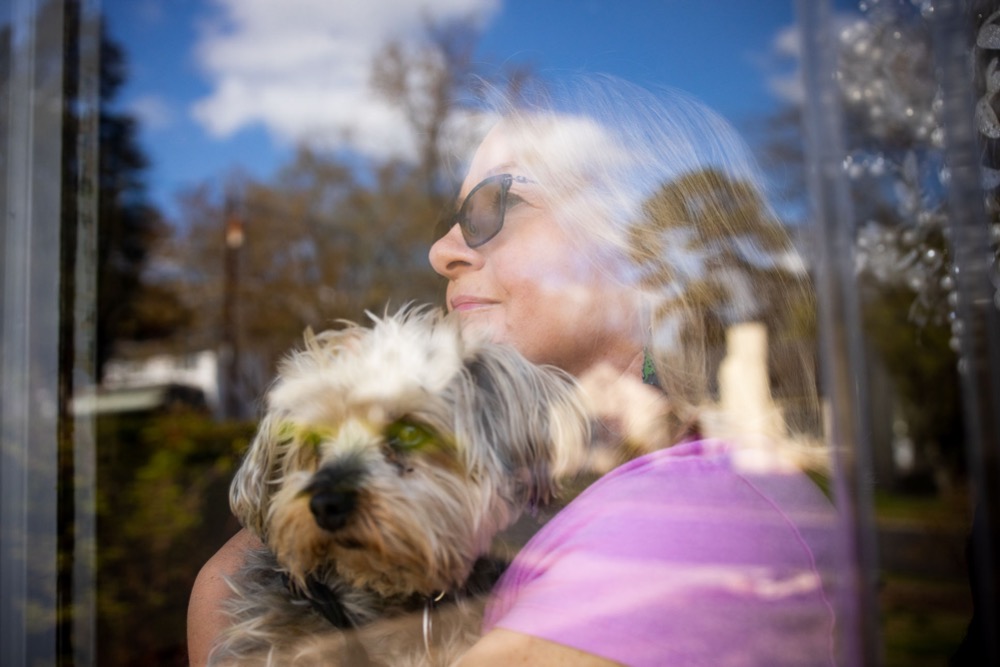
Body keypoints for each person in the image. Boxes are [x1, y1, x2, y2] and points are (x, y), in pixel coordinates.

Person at [188, 74, 841, 666]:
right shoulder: (615, 496)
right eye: (454, 219)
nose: (441, 250)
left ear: (647, 254)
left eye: (496, 204)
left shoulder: (678, 528)